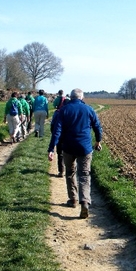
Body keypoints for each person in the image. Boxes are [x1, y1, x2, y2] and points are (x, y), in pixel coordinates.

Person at [48, 88, 102, 219]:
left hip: (68, 147)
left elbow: (57, 131)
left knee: (70, 172)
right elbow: (97, 127)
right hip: (85, 148)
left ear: (70, 98)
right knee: (84, 175)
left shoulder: (63, 110)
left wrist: (51, 148)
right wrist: (98, 141)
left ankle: (73, 200)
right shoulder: (89, 110)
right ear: (82, 98)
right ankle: (85, 201)